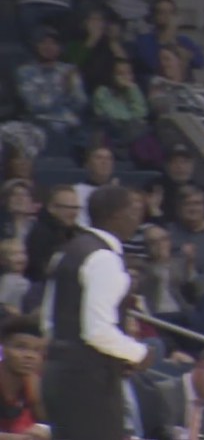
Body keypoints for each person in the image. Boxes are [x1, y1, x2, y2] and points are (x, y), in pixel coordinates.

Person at [40, 185, 154, 440]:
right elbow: (97, 332)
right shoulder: (103, 257)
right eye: (133, 210)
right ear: (115, 215)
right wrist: (139, 353)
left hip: (57, 374)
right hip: (88, 382)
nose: (138, 217)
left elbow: (48, 321)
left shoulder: (66, 252)